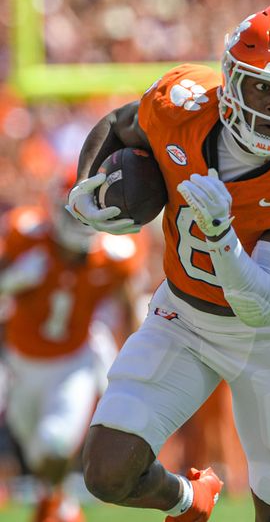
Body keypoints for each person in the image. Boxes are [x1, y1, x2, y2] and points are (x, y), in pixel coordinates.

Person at [65, 5, 270, 522]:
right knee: (106, 474)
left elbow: (262, 305)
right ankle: (188, 501)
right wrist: (86, 187)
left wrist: (222, 236)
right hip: (181, 317)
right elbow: (120, 125)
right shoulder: (182, 103)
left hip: (268, 339)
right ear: (230, 79)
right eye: (263, 88)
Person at [0, 173, 142, 522]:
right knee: (35, 452)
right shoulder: (24, 235)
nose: (79, 224)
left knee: (55, 442)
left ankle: (56, 507)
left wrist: (136, 358)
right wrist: (9, 281)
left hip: (72, 363)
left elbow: (130, 308)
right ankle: (57, 502)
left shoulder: (113, 256)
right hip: (20, 362)